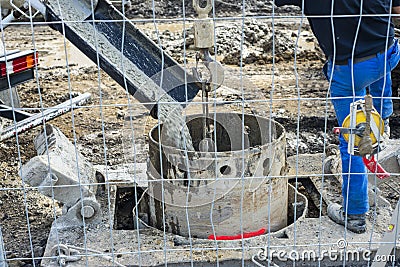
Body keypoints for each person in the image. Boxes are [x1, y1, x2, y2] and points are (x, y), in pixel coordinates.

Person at [274, 0, 400, 233]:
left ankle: (354, 214)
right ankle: (383, 118)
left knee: (352, 139)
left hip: (349, 72)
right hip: (387, 55)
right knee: (380, 55)